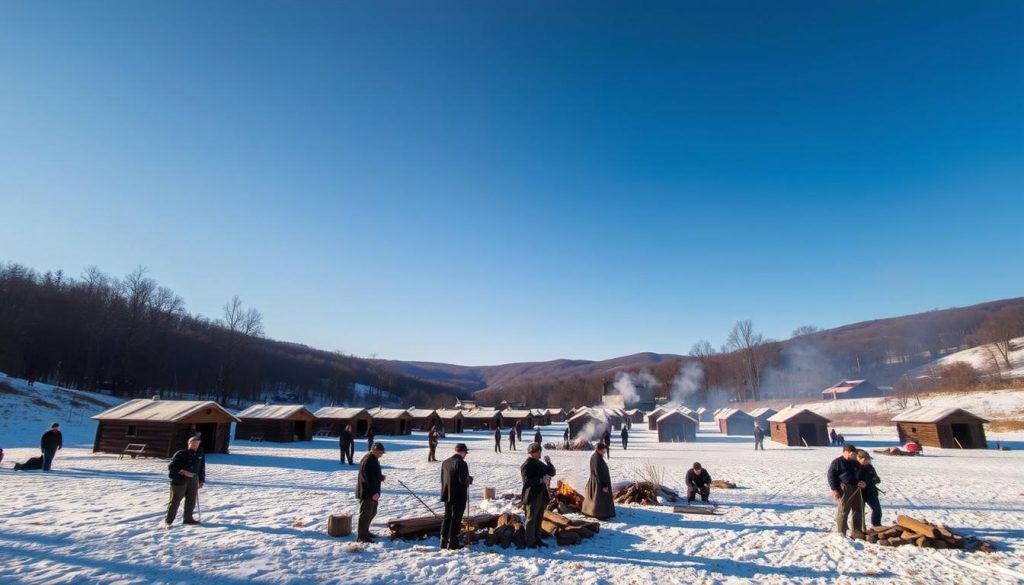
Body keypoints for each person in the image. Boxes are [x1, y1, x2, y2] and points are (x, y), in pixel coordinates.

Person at [164, 435, 205, 526]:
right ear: (188, 443)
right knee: (175, 501)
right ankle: (168, 521)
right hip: (179, 480)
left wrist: (201, 480)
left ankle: (188, 519)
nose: (195, 445)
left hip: (194, 479)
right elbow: (171, 467)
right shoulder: (181, 453)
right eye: (193, 443)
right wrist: (183, 472)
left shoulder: (200, 454)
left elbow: (201, 468)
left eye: (197, 443)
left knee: (191, 500)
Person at [521, 443, 556, 548]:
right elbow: (527, 481)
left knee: (539, 518)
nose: (540, 453)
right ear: (532, 452)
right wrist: (541, 480)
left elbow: (552, 472)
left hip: (541, 495)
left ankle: (537, 539)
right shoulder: (526, 465)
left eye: (540, 451)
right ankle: (530, 542)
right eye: (538, 451)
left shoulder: (539, 463)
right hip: (532, 496)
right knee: (531, 519)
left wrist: (549, 463)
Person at [827, 444, 866, 537]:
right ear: (845, 452)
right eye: (852, 453)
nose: (854, 455)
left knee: (858, 510)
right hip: (844, 488)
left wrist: (863, 482)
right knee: (844, 510)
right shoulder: (837, 462)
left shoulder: (856, 463)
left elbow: (862, 474)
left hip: (857, 488)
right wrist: (834, 489)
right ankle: (841, 531)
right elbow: (831, 476)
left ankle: (857, 531)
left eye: (854, 454)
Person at [440, 443, 473, 550]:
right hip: (458, 495)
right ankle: (453, 542)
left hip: (447, 494)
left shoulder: (445, 462)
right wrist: (470, 479)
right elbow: (463, 481)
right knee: (456, 518)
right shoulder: (461, 463)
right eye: (465, 453)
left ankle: (443, 540)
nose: (465, 455)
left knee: (447, 517)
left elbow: (442, 479)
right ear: (462, 452)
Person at [356, 443, 386, 543]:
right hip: (368, 492)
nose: (380, 454)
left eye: (381, 453)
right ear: (373, 450)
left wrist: (380, 477)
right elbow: (368, 478)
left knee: (372, 512)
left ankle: (366, 531)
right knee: (365, 514)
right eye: (379, 452)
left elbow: (373, 475)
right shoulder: (369, 460)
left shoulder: (373, 459)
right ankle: (361, 536)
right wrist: (374, 492)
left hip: (372, 492)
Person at [582, 443, 615, 519]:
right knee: (600, 499)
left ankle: (596, 513)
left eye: (604, 450)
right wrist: (604, 485)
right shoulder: (596, 458)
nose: (604, 452)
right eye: (603, 450)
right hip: (598, 483)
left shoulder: (597, 456)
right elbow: (598, 473)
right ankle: (600, 515)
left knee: (597, 499)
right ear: (598, 450)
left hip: (597, 481)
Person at [856, 450, 883, 528]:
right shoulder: (855, 467)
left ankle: (876, 525)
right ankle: (860, 527)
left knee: (877, 509)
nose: (869, 461)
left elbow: (877, 479)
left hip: (871, 492)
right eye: (868, 460)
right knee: (860, 512)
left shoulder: (870, 467)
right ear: (862, 459)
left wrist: (868, 482)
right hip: (860, 493)